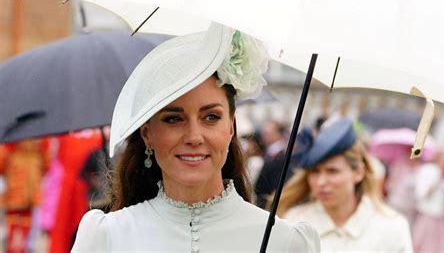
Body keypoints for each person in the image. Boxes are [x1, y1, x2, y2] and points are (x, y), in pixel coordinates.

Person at [71, 23, 319, 252]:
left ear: (230, 127)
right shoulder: (107, 237)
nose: (194, 136)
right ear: (147, 133)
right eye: (173, 119)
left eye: (210, 117)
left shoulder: (284, 242)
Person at [276, 118, 413, 252]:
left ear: (358, 172)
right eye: (315, 172)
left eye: (332, 171)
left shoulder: (392, 228)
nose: (321, 182)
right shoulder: (295, 222)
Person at [412, 148, 444, 253]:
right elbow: (420, 194)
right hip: (428, 216)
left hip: (443, 219)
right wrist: (437, 180)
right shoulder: (427, 171)